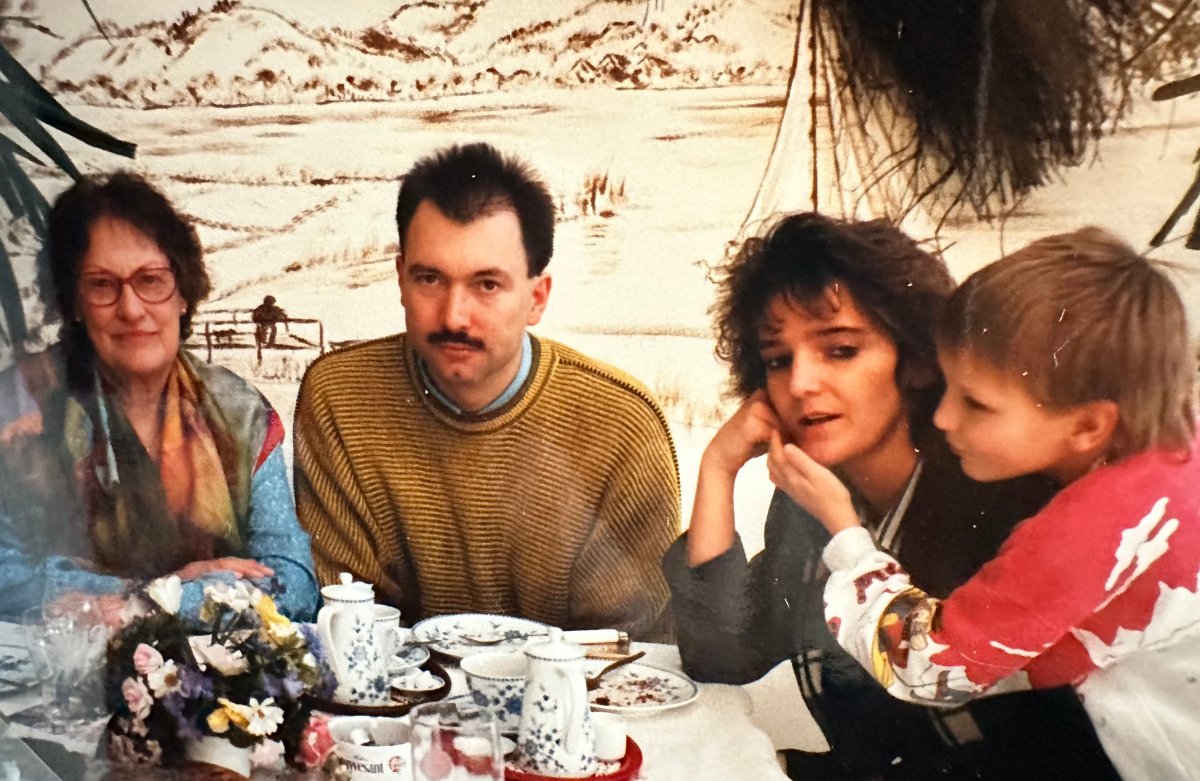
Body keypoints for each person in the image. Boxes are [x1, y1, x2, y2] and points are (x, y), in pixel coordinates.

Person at [663, 213, 1119, 779]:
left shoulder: (1002, 504)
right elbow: (721, 657)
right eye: (778, 360)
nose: (800, 383)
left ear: (918, 359)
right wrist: (718, 468)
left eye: (840, 350)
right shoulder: (810, 504)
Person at [782, 228, 1198, 781]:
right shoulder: (1171, 451)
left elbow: (926, 665)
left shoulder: (1088, 531)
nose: (943, 417)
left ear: (1089, 425)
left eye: (975, 403)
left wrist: (847, 537)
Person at [294, 142, 680, 640]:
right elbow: (350, 621)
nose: (454, 316)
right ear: (401, 280)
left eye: (487, 285)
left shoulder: (623, 423)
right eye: (430, 279)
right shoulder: (339, 397)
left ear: (537, 298)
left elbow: (627, 647)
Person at [0, 172, 318, 624]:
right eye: (102, 285)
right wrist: (162, 592)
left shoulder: (238, 413)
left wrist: (149, 605)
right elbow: (6, 579)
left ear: (183, 293)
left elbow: (294, 585)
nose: (132, 309)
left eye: (151, 280)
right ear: (74, 303)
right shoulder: (21, 402)